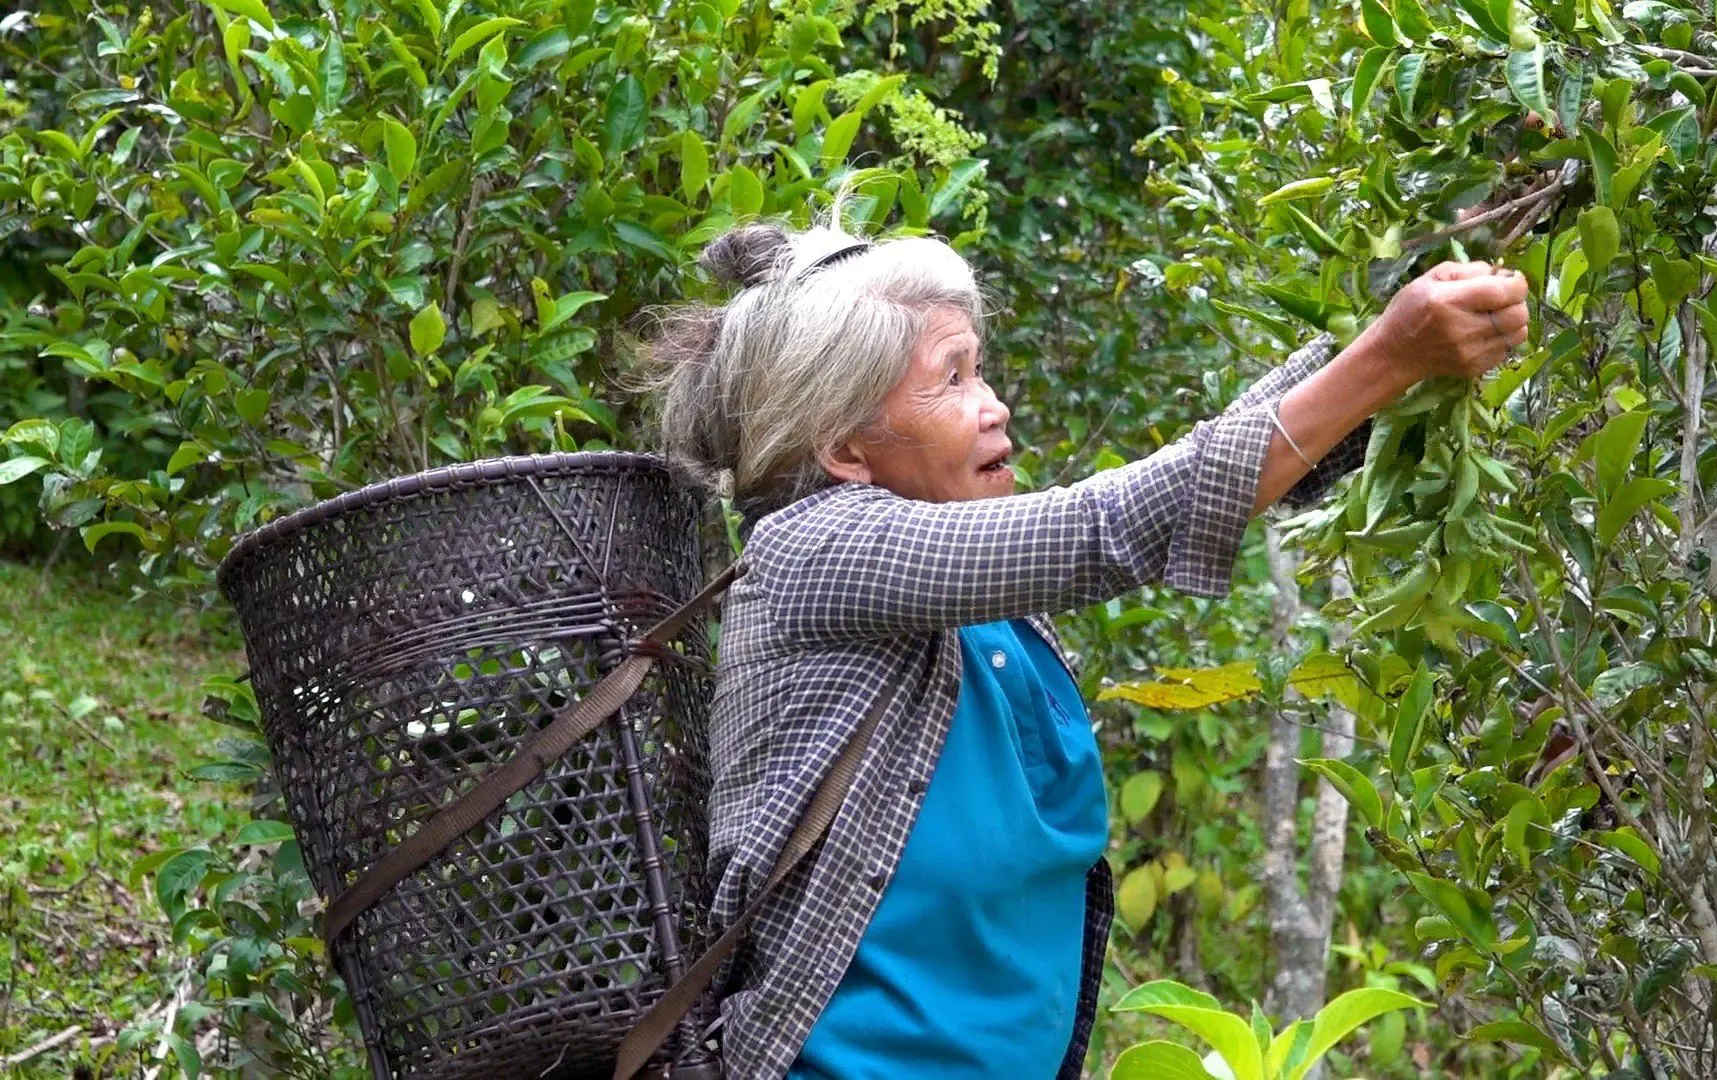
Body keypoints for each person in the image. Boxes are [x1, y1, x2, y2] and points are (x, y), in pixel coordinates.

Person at [642, 216, 1529, 1079]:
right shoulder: (815, 552)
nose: (994, 408)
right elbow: (1113, 525)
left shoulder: (974, 586)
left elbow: (1191, 471)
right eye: (950, 381)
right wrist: (1386, 356)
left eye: (979, 370)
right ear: (843, 448)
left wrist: (1397, 319)